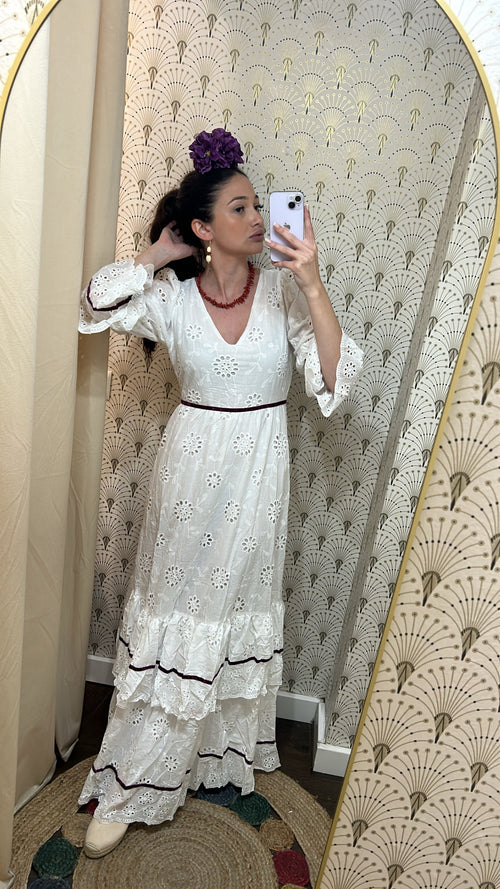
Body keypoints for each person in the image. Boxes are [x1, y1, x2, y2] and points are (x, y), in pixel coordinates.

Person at [78, 128, 363, 858]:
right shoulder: (171, 300)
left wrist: (313, 282)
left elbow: (334, 381)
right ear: (204, 228)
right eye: (241, 208)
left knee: (232, 607)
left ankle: (213, 754)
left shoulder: (284, 292)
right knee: (178, 613)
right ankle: (133, 777)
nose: (260, 218)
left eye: (259, 206)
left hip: (260, 475)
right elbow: (95, 304)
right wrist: (154, 257)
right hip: (190, 475)